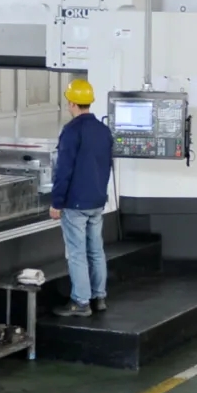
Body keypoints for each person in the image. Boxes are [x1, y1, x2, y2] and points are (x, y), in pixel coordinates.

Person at [49, 78, 115, 318]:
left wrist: (57, 202)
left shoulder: (71, 131)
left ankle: (80, 301)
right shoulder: (103, 130)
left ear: (71, 103)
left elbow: (63, 170)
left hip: (75, 203)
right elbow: (106, 166)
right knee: (96, 250)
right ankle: (99, 297)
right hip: (96, 201)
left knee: (77, 253)